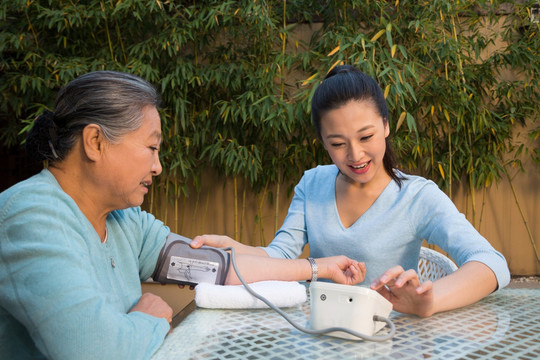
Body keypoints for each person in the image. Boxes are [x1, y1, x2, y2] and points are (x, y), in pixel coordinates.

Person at [0, 71, 366, 360]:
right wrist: (150, 317)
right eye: (151, 147)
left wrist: (316, 268)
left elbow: (216, 267)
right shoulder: (30, 216)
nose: (158, 167)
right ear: (95, 141)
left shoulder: (125, 221)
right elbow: (93, 350)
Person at [191, 64, 511, 318]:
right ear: (323, 143)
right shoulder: (312, 184)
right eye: (338, 144)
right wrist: (237, 249)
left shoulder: (417, 197)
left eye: (366, 137)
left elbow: (490, 262)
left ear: (386, 125)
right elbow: (280, 257)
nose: (355, 155)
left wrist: (429, 301)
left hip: (392, 340)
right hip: (319, 334)